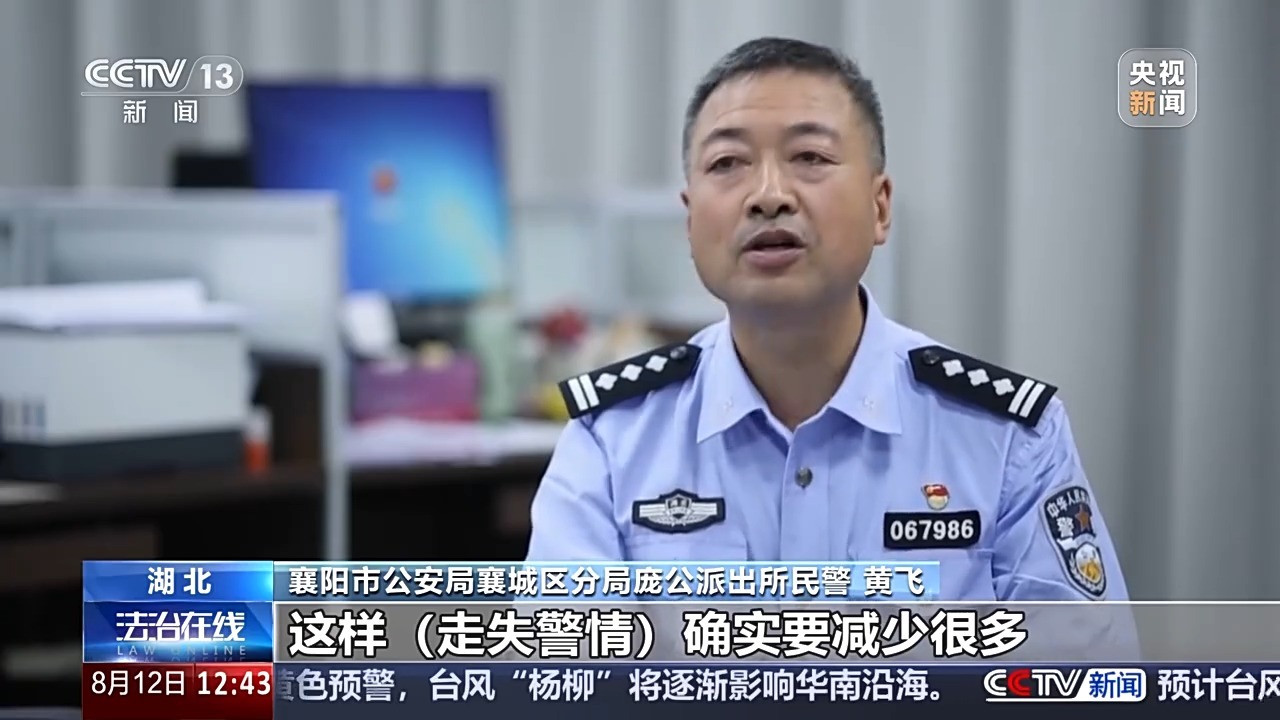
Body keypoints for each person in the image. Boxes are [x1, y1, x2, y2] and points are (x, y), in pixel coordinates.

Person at [526, 37, 1131, 606]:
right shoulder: (611, 438)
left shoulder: (1007, 439)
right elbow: (567, 662)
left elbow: (1078, 667)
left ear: (880, 207)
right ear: (689, 221)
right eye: (728, 162)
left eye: (810, 157)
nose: (768, 195)